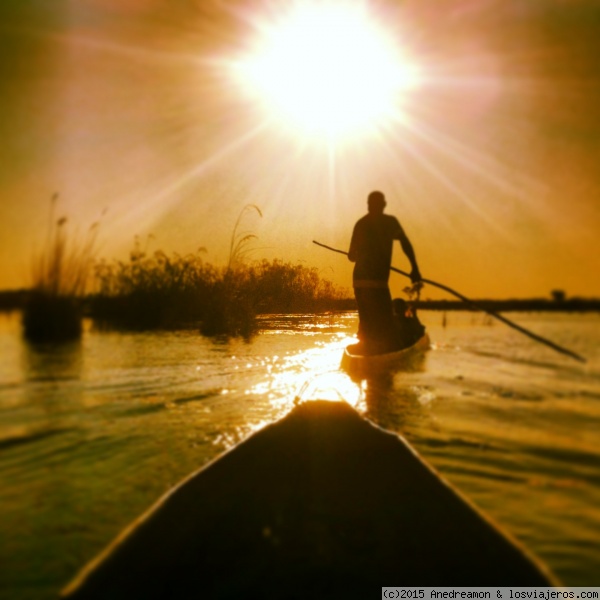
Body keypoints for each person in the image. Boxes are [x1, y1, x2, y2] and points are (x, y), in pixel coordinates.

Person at [348, 190, 422, 354]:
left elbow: (351, 256)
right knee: (385, 328)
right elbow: (405, 244)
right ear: (383, 205)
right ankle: (380, 360)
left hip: (359, 281)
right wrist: (414, 268)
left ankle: (368, 351)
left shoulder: (361, 224)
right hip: (376, 283)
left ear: (369, 206)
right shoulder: (390, 223)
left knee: (367, 324)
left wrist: (359, 253)